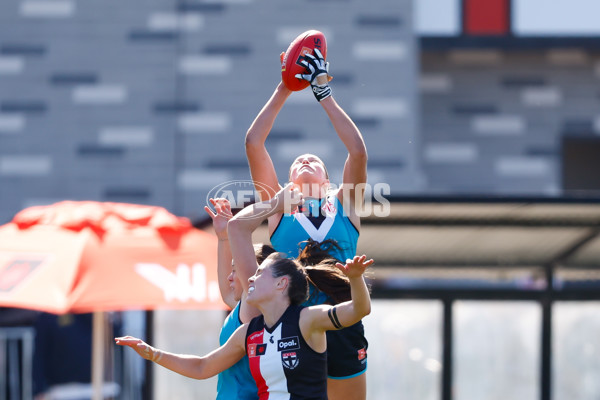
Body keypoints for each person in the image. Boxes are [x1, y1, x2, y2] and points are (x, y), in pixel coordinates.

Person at [116, 185, 373, 400]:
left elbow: (360, 310)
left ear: (281, 284)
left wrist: (356, 279)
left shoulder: (306, 319)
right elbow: (203, 366)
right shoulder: (248, 330)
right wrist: (151, 352)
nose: (248, 277)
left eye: (257, 274)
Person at [245, 48, 369, 399]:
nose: (303, 160)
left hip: (343, 321)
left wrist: (323, 92)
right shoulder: (280, 209)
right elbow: (254, 143)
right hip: (293, 327)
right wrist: (285, 86)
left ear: (329, 183)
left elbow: (357, 152)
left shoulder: (346, 206)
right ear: (287, 181)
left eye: (312, 160)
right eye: (296, 162)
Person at [204, 197, 274, 400]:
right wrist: (224, 238)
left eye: (236, 271)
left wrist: (277, 202)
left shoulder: (255, 310)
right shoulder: (244, 308)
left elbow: (201, 368)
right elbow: (227, 292)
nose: (230, 276)